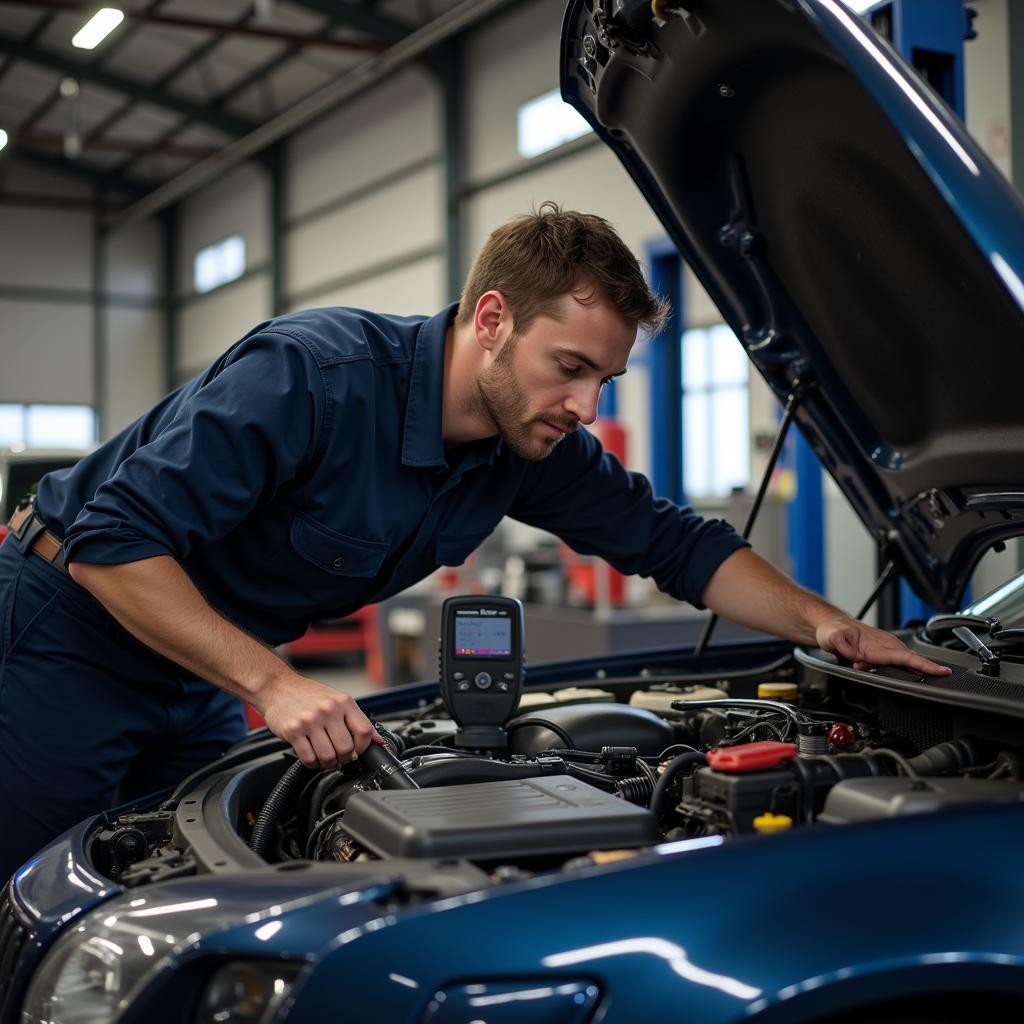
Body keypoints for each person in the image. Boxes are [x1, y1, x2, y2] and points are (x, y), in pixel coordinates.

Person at [0, 203, 948, 881]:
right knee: (28, 890)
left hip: (200, 663)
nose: (585, 407)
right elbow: (110, 538)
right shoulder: (314, 375)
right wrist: (273, 683)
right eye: (570, 367)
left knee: (177, 885)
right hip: (70, 627)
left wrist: (831, 627)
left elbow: (678, 547)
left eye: (604, 380)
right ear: (491, 319)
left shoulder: (528, 444)